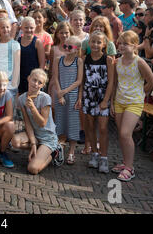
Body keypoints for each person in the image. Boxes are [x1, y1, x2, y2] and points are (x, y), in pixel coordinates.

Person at [111, 30, 153, 182]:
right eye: (120, 43)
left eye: (125, 44)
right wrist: (111, 102)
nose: (121, 46)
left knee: (125, 133)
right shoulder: (117, 61)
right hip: (119, 101)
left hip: (134, 103)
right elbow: (115, 83)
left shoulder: (140, 62)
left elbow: (152, 82)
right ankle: (125, 163)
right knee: (121, 134)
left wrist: (140, 93)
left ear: (135, 45)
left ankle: (129, 167)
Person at [11, 69, 64, 174]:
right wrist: (33, 143)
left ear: (42, 85)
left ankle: (55, 152)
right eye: (34, 80)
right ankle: (39, 149)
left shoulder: (45, 98)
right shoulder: (22, 98)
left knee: (32, 169)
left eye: (40, 82)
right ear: (28, 78)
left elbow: (42, 123)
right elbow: (27, 123)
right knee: (15, 142)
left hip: (48, 137)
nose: (36, 84)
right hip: (35, 134)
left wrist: (32, 107)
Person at [78, 31, 114, 174]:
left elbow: (111, 82)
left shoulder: (108, 60)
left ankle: (104, 157)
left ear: (104, 44)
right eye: (93, 41)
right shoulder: (84, 59)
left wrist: (106, 100)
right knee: (90, 126)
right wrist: (81, 97)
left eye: (99, 42)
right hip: (88, 95)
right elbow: (82, 80)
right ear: (88, 43)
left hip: (102, 96)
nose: (95, 44)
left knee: (104, 128)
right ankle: (94, 153)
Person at [52, 36, 83, 165]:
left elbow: (79, 80)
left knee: (73, 123)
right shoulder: (58, 60)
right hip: (60, 94)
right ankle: (60, 148)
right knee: (60, 121)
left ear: (76, 49)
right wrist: (59, 93)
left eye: (70, 47)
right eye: (65, 46)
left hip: (72, 95)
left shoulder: (79, 61)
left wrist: (65, 91)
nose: (67, 49)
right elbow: (55, 77)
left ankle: (72, 151)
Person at [0, 18, 21, 109]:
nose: (5, 29)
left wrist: (14, 82)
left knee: (9, 108)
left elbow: (17, 64)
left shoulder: (15, 44)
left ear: (11, 28)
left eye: (7, 27)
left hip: (10, 81)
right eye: (2, 27)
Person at [18, 17, 45, 95]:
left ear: (35, 27)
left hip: (34, 79)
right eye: (26, 27)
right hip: (21, 77)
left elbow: (42, 63)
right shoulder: (18, 41)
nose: (29, 30)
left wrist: (38, 79)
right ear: (21, 27)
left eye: (31, 28)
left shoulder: (37, 42)